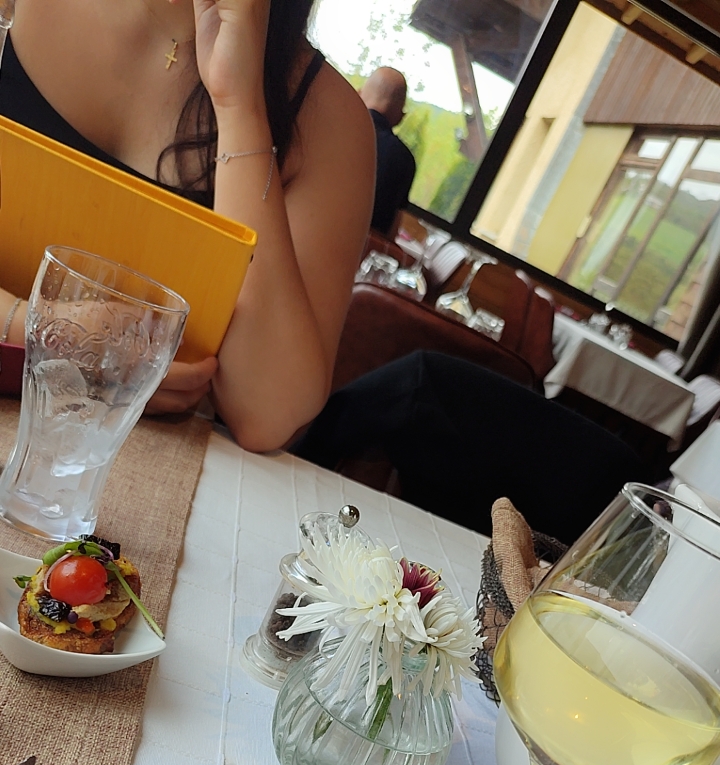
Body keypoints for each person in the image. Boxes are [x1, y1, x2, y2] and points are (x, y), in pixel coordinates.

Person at [0, 0, 375, 451]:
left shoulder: (330, 121)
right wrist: (50, 333)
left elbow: (267, 413)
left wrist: (239, 105)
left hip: (140, 467)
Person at [293, 351, 644, 546]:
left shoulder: (614, 482)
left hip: (612, 520)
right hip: (615, 501)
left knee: (419, 384)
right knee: (418, 384)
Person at [359, 67, 416, 239]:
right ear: (401, 117)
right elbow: (390, 234)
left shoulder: (334, 129)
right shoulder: (404, 160)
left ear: (358, 94)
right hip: (361, 252)